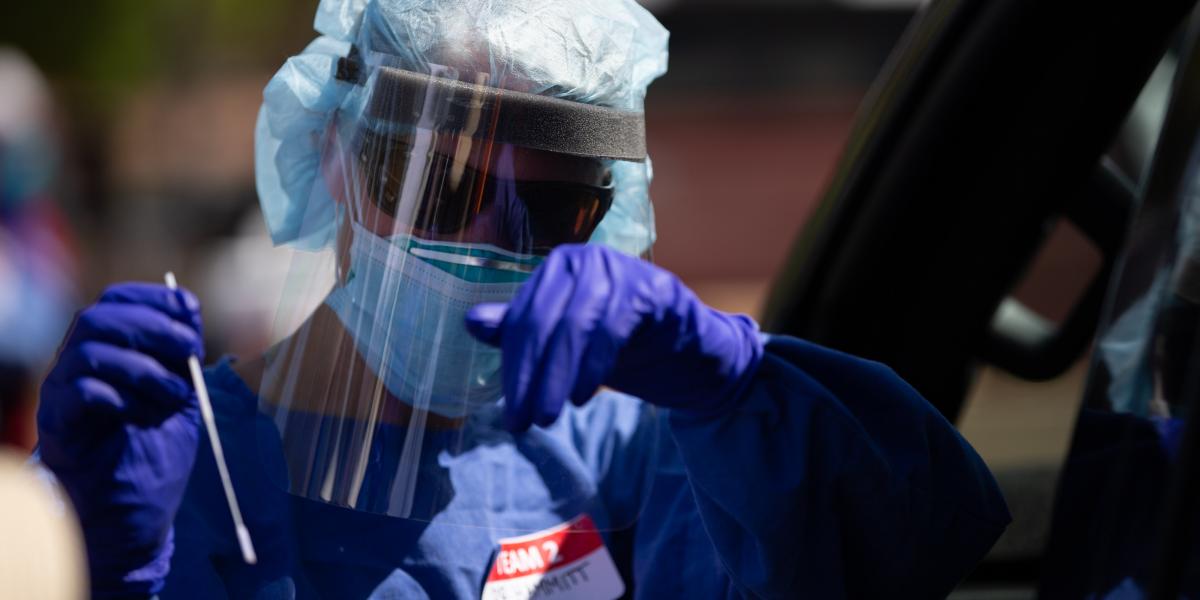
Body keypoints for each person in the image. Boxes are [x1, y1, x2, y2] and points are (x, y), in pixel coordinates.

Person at [33, 1, 1011, 598]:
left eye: (549, 206)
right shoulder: (171, 470)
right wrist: (113, 574)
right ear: (335, 153)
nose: (484, 242)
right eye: (446, 187)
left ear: (605, 212)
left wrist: (737, 388)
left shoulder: (622, 449)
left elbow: (902, 553)